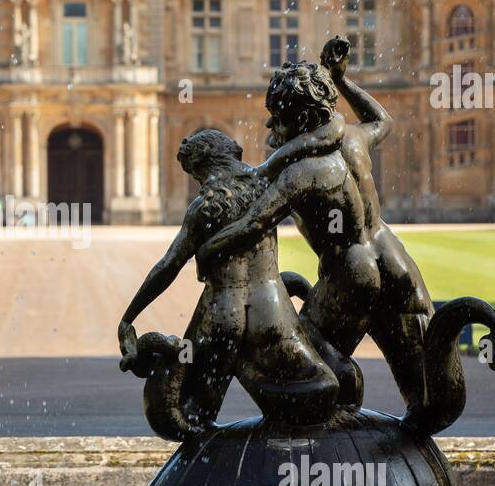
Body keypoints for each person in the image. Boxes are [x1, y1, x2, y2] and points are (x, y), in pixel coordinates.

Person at [197, 38, 433, 411]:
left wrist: (208, 249)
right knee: (425, 398)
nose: (270, 124)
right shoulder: (354, 139)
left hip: (351, 276)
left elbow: (254, 224)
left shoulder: (300, 172)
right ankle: (379, 457)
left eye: (278, 116)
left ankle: (334, 437)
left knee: (302, 361)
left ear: (303, 120)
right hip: (395, 260)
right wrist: (342, 80)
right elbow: (381, 120)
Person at [117, 129, 337, 437]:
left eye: (196, 175)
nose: (199, 183)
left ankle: (241, 377)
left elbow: (168, 265)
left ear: (202, 167)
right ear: (232, 153)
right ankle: (260, 407)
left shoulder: (203, 208)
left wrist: (130, 316)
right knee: (316, 393)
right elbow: (314, 144)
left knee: (190, 418)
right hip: (271, 309)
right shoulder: (266, 184)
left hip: (220, 313)